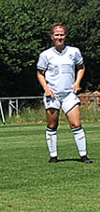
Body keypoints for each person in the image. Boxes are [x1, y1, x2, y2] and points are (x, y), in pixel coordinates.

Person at [37, 24, 91, 163]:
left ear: (65, 36)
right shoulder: (45, 55)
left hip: (69, 94)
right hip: (53, 95)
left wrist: (77, 82)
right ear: (52, 37)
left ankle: (83, 156)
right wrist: (46, 89)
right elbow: (40, 73)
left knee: (76, 124)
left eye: (62, 35)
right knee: (52, 126)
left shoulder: (74, 52)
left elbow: (81, 67)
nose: (59, 37)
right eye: (56, 35)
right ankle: (53, 156)